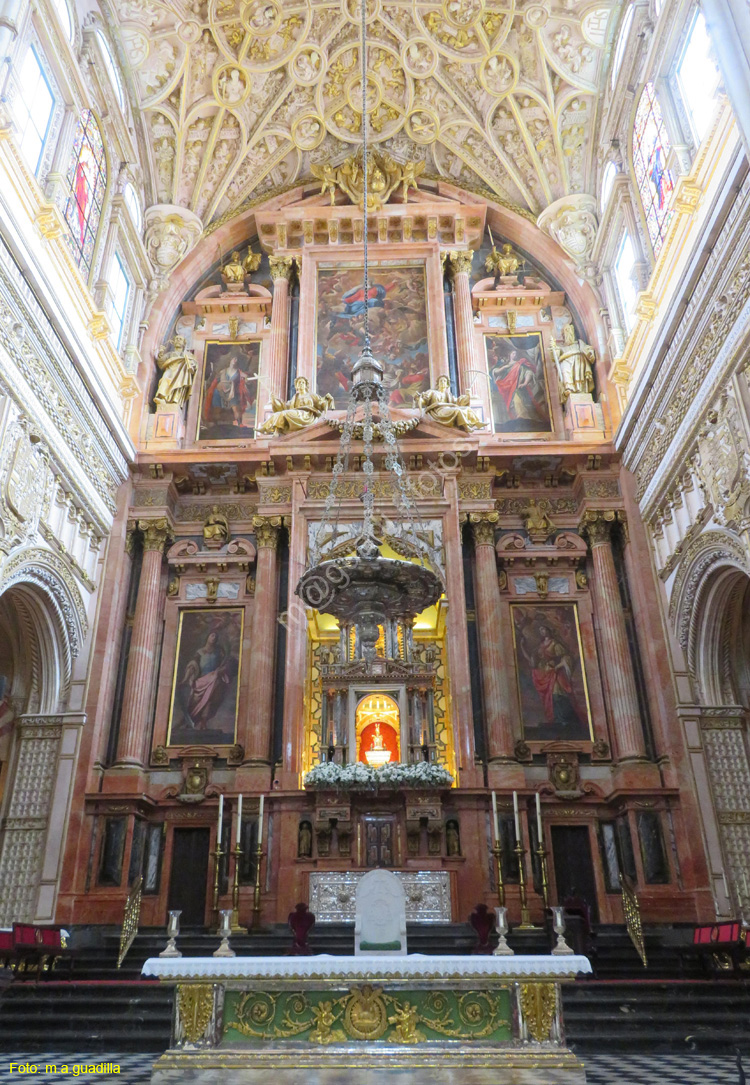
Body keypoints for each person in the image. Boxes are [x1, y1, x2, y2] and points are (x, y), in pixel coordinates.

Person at [521, 622, 583, 729]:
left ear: (549, 630)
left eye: (544, 629)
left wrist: (557, 667)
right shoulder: (539, 647)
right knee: (548, 697)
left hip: (555, 672)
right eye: (540, 630)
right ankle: (555, 720)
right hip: (544, 673)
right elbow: (531, 661)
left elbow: (566, 658)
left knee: (557, 693)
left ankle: (564, 719)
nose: (542, 631)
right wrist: (522, 646)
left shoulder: (555, 644)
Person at [179, 631, 230, 730]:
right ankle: (189, 722)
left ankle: (203, 722)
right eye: (212, 635)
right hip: (202, 680)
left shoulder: (218, 652)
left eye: (216, 636)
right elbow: (193, 664)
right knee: (194, 703)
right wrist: (186, 678)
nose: (214, 637)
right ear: (207, 637)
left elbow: (223, 664)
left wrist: (221, 670)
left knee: (210, 700)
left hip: (214, 679)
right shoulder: (200, 652)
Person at [259, 376, 333, 435]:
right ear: (296, 386)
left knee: (284, 414)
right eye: (299, 383)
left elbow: (321, 404)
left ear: (306, 385)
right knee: (280, 413)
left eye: (302, 382)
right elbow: (284, 407)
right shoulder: (295, 397)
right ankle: (268, 428)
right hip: (296, 415)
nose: (301, 384)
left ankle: (271, 429)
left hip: (307, 416)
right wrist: (274, 399)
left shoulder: (311, 395)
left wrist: (326, 400)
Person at [416, 376, 485, 432]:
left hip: (449, 408)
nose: (443, 382)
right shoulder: (432, 392)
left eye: (444, 381)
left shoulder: (448, 395)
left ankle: (477, 422)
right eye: (441, 381)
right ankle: (465, 427)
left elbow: (458, 401)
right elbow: (424, 401)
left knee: (467, 409)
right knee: (457, 411)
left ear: (447, 385)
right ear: (438, 384)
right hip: (439, 411)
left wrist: (468, 395)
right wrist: (419, 399)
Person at [203, 352, 253, 428]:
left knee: (236, 408)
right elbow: (215, 382)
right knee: (217, 407)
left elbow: (246, 379)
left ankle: (240, 423)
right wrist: (216, 388)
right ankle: (215, 424)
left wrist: (247, 380)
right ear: (230, 360)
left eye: (236, 359)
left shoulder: (239, 372)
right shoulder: (223, 372)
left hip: (233, 393)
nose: (235, 360)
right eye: (234, 358)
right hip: (220, 392)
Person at [153, 335, 197, 410]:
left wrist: (192, 364)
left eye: (180, 339)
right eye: (176, 339)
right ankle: (162, 397)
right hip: (170, 370)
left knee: (179, 384)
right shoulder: (170, 354)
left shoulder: (188, 355)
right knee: (165, 379)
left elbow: (194, 364)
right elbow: (161, 363)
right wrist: (160, 354)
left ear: (184, 343)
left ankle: (174, 399)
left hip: (181, 373)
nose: (178, 340)